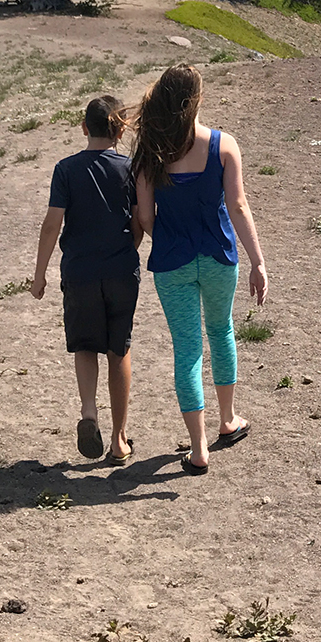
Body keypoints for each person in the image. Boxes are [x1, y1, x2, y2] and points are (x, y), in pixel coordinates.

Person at [131, 64, 268, 475]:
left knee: (187, 349)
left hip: (172, 261)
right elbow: (239, 206)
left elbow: (145, 216)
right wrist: (258, 262)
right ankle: (227, 421)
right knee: (221, 330)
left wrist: (171, 234)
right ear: (197, 100)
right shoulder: (225, 146)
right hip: (218, 256)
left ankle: (197, 449)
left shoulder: (150, 152)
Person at [31, 95, 138, 464]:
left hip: (79, 272)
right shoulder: (129, 168)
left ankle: (89, 412)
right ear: (120, 129)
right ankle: (119, 439)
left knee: (85, 345)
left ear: (83, 128)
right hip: (121, 270)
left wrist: (40, 273)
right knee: (118, 349)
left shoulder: (66, 169)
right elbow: (138, 221)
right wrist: (131, 246)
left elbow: (51, 224)